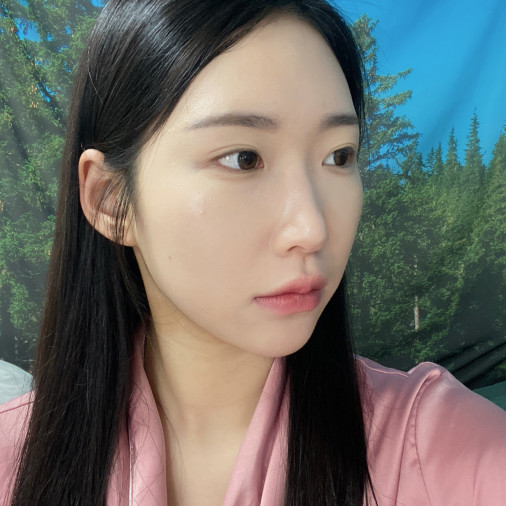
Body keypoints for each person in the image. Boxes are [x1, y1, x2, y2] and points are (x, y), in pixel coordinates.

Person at [1, 0, 505, 504]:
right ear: (110, 200)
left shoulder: (450, 452)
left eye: (339, 155)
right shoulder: (11, 460)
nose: (311, 229)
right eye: (244, 159)